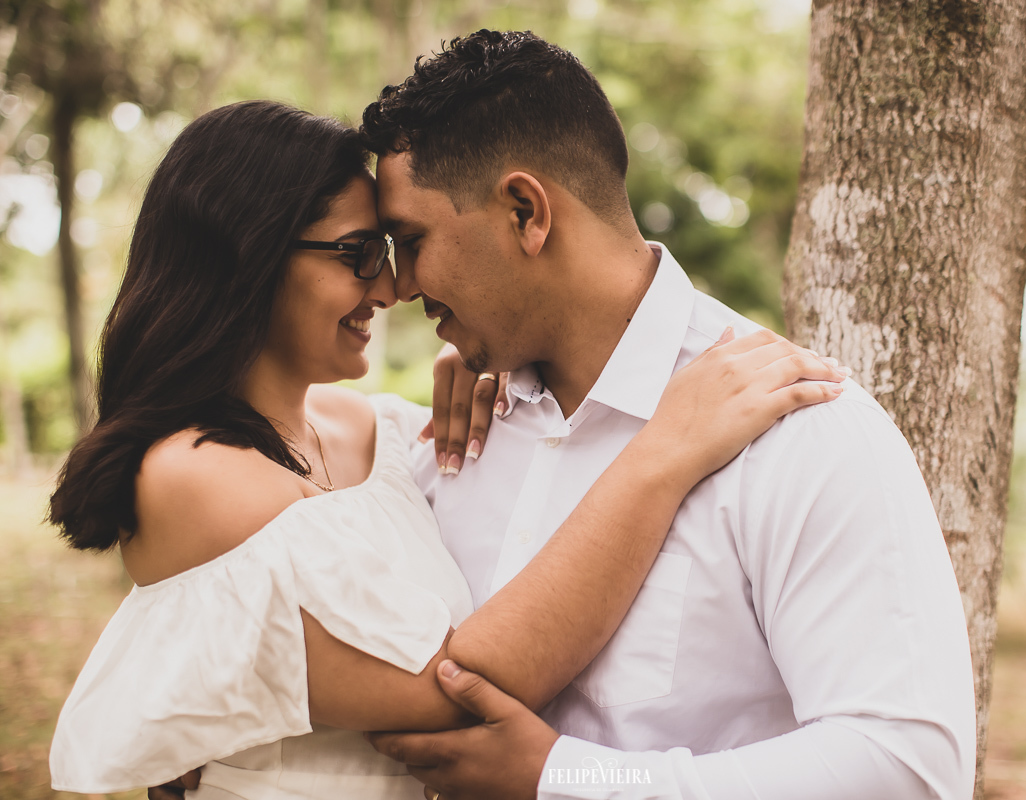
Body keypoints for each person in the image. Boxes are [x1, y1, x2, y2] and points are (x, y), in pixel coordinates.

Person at [45, 100, 844, 799]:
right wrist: (664, 451)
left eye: (393, 253)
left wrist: (491, 354)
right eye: (359, 255)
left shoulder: (371, 431)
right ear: (247, 259)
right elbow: (452, 689)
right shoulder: (189, 474)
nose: (391, 290)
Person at [355, 29, 978, 800]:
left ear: (526, 211)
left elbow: (909, 770)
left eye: (411, 242)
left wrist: (563, 779)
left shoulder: (802, 429)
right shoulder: (453, 437)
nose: (401, 284)